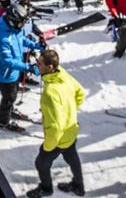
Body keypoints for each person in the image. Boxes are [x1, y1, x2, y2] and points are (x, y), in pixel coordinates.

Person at [26, 50, 86, 198]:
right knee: (72, 157)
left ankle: (46, 189)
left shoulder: (50, 93)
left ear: (50, 67)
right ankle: (79, 186)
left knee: (41, 163)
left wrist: (48, 146)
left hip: (59, 138)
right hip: (72, 129)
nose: (37, 65)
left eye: (39, 63)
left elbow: (55, 127)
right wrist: (71, 109)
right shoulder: (62, 73)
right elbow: (81, 92)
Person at [0, 3, 42, 131]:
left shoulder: (14, 29)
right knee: (9, 97)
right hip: (5, 74)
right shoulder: (2, 38)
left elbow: (21, 39)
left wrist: (35, 45)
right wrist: (28, 67)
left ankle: (9, 109)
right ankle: (2, 120)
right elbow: (7, 61)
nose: (23, 25)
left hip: (14, 71)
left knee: (14, 91)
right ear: (13, 21)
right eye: (21, 23)